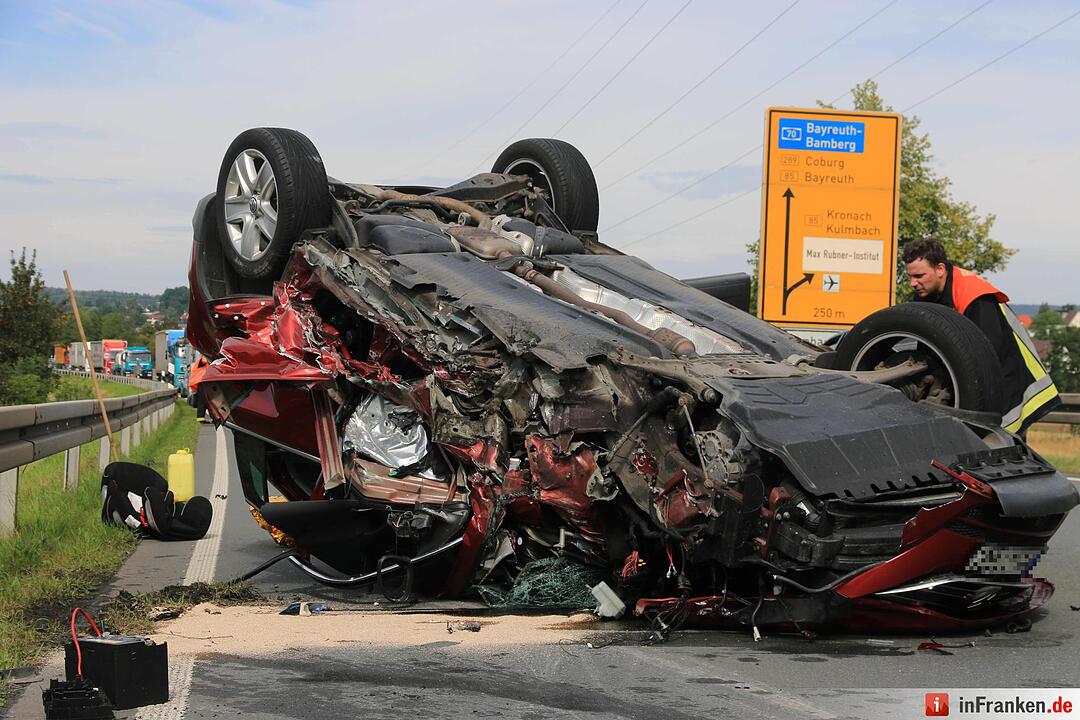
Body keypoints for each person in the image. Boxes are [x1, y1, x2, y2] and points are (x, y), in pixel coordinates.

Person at [902, 237, 1059, 434]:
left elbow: (987, 354)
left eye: (919, 276)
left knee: (1001, 442)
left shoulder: (975, 296)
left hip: (1013, 382)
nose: (913, 283)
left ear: (940, 269)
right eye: (910, 277)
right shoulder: (926, 292)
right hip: (983, 385)